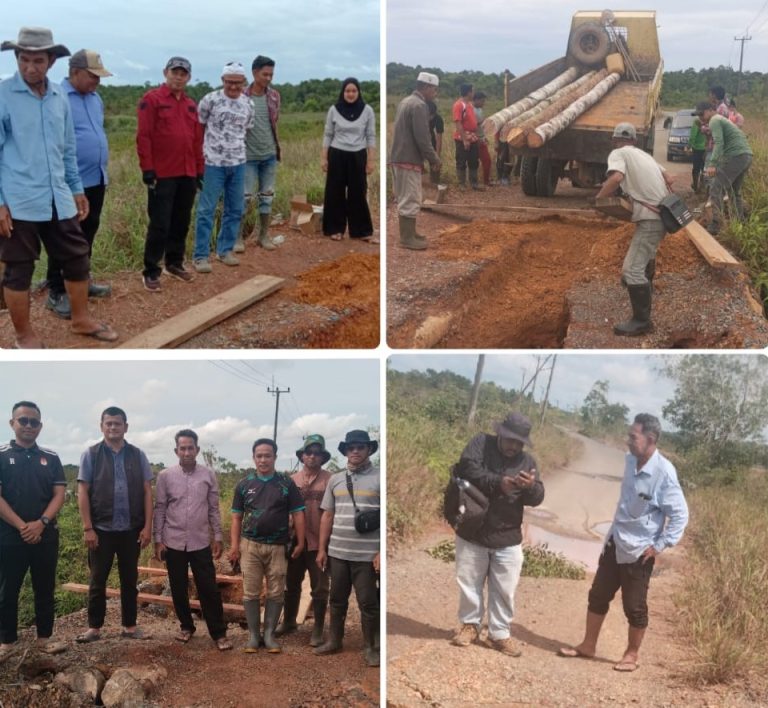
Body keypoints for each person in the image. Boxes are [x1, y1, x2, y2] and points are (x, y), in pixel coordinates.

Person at [0, 27, 119, 348]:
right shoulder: (3, 95)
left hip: (58, 196)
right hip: (19, 199)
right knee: (18, 269)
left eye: (38, 60)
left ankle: (80, 320)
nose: (30, 67)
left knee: (77, 255)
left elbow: (66, 150)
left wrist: (77, 189)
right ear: (17, 58)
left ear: (51, 61)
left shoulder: (58, 98)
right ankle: (25, 336)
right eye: (24, 59)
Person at [559, 413, 688, 672]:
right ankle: (588, 645)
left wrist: (660, 545)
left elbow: (680, 515)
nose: (628, 440)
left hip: (640, 551)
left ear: (650, 439)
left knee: (634, 606)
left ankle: (631, 655)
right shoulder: (630, 461)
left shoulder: (664, 473)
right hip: (616, 541)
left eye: (633, 436)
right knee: (598, 595)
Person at [449, 413, 543, 657]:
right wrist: (498, 482)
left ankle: (499, 634)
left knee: (505, 589)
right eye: (509, 440)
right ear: (500, 434)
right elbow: (468, 468)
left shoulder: (528, 461)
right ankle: (470, 626)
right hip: (473, 530)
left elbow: (538, 496)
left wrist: (530, 486)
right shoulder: (480, 443)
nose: (513, 446)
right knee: (469, 582)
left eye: (518, 442)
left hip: (508, 535)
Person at [76, 406, 153, 642]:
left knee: (129, 580)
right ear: (102, 426)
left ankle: (130, 627)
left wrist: (147, 527)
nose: (112, 427)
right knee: (98, 580)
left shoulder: (137, 455)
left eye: (117, 423)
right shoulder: (91, 454)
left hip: (131, 530)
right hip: (101, 530)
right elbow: (82, 491)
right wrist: (88, 527)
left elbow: (147, 491)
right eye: (108, 423)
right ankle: (94, 628)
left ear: (125, 427)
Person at [46, 49, 113, 320]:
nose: (97, 81)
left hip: (96, 178)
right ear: (74, 72)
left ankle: (81, 280)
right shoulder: (56, 97)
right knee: (63, 236)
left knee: (89, 232)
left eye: (99, 77)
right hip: (69, 182)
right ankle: (56, 290)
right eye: (92, 76)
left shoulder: (95, 98)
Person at [0, 401, 67, 660]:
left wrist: (41, 523)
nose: (29, 426)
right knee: (8, 590)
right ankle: (7, 641)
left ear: (40, 426)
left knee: (44, 588)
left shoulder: (50, 457)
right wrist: (21, 526)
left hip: (45, 535)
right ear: (12, 423)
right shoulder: (2, 455)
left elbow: (59, 494)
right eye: (23, 420)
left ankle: (44, 639)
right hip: (9, 536)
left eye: (34, 422)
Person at [153, 429, 232, 650]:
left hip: (199, 542)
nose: (186, 452)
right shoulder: (165, 476)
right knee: (178, 587)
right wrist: (158, 540)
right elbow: (159, 509)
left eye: (190, 448)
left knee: (208, 587)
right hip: (173, 541)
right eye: (182, 448)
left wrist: (217, 536)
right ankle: (186, 626)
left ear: (197, 449)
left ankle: (218, 633)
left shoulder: (207, 475)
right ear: (176, 450)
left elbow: (214, 509)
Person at [594, 122, 673, 337]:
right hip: (662, 215)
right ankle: (643, 283)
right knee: (645, 253)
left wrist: (599, 199)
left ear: (614, 140)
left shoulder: (618, 153)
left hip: (651, 218)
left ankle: (642, 321)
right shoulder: (645, 156)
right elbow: (669, 178)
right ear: (635, 141)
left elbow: (617, 177)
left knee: (631, 270)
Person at [229, 438, 305, 654]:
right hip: (250, 546)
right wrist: (234, 546)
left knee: (276, 591)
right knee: (251, 591)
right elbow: (236, 518)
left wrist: (301, 541)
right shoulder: (244, 485)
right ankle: (254, 635)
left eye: (267, 455)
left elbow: (298, 513)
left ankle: (269, 634)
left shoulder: (285, 483)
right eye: (259, 455)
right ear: (254, 458)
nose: (263, 459)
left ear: (275, 457)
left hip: (278, 547)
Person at [136, 56, 203, 292]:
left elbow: (196, 140)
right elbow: (143, 136)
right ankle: (151, 270)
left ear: (188, 77)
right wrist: (148, 169)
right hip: (162, 173)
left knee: (181, 221)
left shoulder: (190, 104)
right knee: (160, 223)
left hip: (187, 172)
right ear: (166, 72)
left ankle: (174, 263)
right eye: (175, 72)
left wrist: (200, 170)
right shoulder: (151, 100)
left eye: (183, 73)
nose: (178, 77)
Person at [315, 430, 380, 667]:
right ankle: (335, 640)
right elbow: (327, 516)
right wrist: (322, 549)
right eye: (351, 447)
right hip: (338, 553)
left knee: (368, 603)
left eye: (360, 447)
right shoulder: (336, 479)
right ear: (345, 451)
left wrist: (381, 552)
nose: (355, 451)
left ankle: (371, 646)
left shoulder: (380, 478)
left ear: (369, 450)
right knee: (337, 599)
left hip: (366, 555)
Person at [192, 62, 253, 273]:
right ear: (222, 81)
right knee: (206, 210)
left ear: (244, 82)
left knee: (235, 209)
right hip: (213, 163)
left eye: (238, 83)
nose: (234, 87)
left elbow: (246, 130)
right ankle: (200, 255)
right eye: (229, 82)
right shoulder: (210, 100)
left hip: (238, 163)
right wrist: (199, 159)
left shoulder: (248, 104)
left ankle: (225, 250)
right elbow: (199, 129)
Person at [274, 435, 332, 646]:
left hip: (319, 544)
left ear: (322, 457)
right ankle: (289, 621)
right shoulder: (291, 480)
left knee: (319, 587)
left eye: (317, 453)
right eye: (309, 452)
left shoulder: (330, 480)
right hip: (295, 541)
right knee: (291, 584)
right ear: (302, 456)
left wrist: (325, 546)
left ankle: (317, 629)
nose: (312, 456)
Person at [389, 72, 442, 250]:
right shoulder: (419, 105)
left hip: (399, 157)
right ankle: (407, 238)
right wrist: (434, 158)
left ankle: (410, 233)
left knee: (407, 196)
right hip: (408, 158)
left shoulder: (406, 101)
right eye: (434, 89)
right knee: (410, 198)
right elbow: (423, 138)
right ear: (426, 87)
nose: (435, 93)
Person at [321, 78, 377, 243]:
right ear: (342, 92)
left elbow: (371, 136)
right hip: (337, 154)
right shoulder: (334, 110)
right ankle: (335, 229)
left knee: (358, 192)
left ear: (358, 92)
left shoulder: (367, 110)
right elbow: (328, 135)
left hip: (358, 155)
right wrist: (324, 158)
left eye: (354, 91)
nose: (350, 94)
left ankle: (361, 231)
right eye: (347, 91)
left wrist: (371, 160)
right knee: (335, 192)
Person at [241, 56, 282, 251]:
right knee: (245, 198)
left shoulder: (274, 96)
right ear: (254, 73)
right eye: (265, 74)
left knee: (267, 196)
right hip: (247, 157)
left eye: (271, 75)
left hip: (269, 155)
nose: (268, 78)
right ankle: (237, 238)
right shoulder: (241, 96)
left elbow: (275, 123)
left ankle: (263, 236)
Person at [694, 101, 752, 236]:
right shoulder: (721, 119)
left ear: (709, 110)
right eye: (698, 115)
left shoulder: (714, 120)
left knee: (716, 187)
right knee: (734, 191)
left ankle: (716, 224)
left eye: (701, 114)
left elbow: (718, 142)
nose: (700, 117)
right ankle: (740, 222)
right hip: (745, 155)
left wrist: (713, 164)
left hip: (737, 156)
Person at [452, 83, 479, 189]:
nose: (473, 93)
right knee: (461, 160)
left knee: (474, 160)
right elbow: (458, 122)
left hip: (473, 136)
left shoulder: (470, 105)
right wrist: (464, 139)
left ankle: (474, 183)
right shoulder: (459, 105)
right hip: (462, 137)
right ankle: (461, 183)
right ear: (468, 92)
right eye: (472, 91)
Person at [472, 91, 492, 187]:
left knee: (487, 160)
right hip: (475, 140)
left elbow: (481, 126)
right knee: (474, 162)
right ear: (476, 100)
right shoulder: (471, 110)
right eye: (482, 101)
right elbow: (473, 126)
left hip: (481, 138)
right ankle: (475, 182)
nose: (483, 103)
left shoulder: (480, 110)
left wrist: (484, 136)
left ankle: (486, 181)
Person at [426, 99, 443, 185]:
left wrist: (437, 156)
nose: (429, 117)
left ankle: (435, 185)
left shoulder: (438, 119)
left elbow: (439, 138)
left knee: (435, 165)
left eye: (431, 115)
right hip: (418, 144)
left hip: (432, 144)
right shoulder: (418, 117)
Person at [688, 115, 707, 193]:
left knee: (696, 168)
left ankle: (696, 187)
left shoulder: (697, 122)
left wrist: (688, 146)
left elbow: (693, 136)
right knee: (704, 168)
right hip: (706, 149)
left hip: (697, 149)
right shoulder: (708, 122)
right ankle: (703, 186)